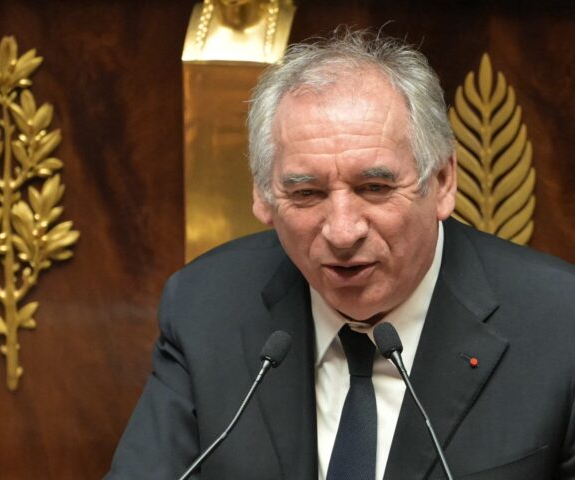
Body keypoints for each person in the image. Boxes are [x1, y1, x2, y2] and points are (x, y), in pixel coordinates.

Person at [106, 28, 575, 479]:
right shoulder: (206, 307)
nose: (342, 231)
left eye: (374, 187)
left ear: (443, 181)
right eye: (307, 193)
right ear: (263, 197)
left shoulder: (559, 325)